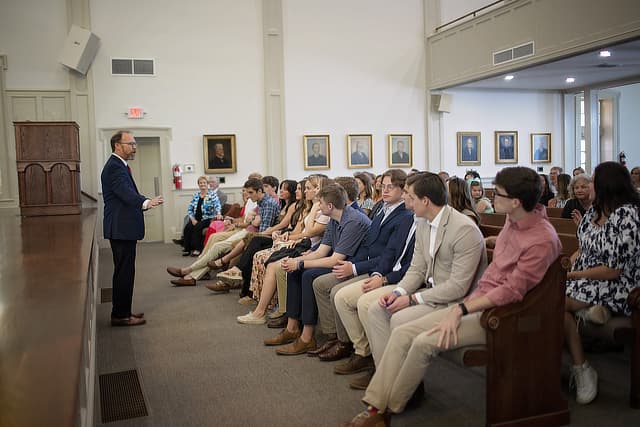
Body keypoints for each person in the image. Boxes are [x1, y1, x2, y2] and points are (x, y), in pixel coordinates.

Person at [340, 166, 561, 427]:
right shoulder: (514, 224)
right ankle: (378, 407)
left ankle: (383, 411)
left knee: (421, 341)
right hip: (478, 304)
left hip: (504, 316)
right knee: (401, 332)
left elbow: (511, 291)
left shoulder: (541, 238)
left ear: (515, 202)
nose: (491, 198)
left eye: (497, 194)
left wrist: (460, 309)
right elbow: (479, 276)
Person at [309, 170, 413, 363]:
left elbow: (389, 255)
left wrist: (360, 269)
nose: (385, 190)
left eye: (391, 187)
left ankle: (359, 349)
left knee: (338, 293)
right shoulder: (382, 207)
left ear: (403, 189)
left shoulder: (404, 215)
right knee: (325, 285)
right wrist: (354, 264)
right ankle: (343, 341)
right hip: (371, 266)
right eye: (383, 186)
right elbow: (370, 247)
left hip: (383, 270)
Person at [563, 161, 640, 405]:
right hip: (588, 279)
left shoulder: (627, 215)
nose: (587, 184)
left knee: (554, 301)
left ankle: (581, 366)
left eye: (593, 180)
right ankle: (581, 366)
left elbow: (613, 270)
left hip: (619, 285)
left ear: (606, 185)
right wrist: (566, 266)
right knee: (547, 297)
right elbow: (582, 250)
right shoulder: (592, 214)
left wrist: (572, 276)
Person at [263, 183, 371, 355]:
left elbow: (335, 259)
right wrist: (295, 261)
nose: (318, 207)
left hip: (353, 265)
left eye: (319, 203)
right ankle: (292, 328)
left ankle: (308, 338)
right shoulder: (335, 219)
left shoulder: (353, 220)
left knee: (308, 275)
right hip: (341, 262)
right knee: (295, 271)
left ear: (330, 206)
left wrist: (300, 263)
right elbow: (321, 251)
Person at [102, 130, 164, 327]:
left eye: (135, 144)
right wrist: (146, 202)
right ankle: (121, 315)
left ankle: (123, 311)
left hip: (123, 227)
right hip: (121, 228)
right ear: (117, 145)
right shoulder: (114, 167)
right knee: (124, 272)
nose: (134, 147)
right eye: (131, 144)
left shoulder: (120, 166)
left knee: (125, 271)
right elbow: (125, 193)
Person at [181, 175, 222, 256]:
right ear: (198, 184)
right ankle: (187, 248)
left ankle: (198, 249)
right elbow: (190, 209)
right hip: (196, 218)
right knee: (187, 228)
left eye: (204, 183)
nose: (202, 184)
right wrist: (192, 219)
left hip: (207, 218)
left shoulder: (212, 195)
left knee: (197, 227)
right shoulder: (195, 196)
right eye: (200, 183)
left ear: (207, 184)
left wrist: (219, 213)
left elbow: (217, 206)